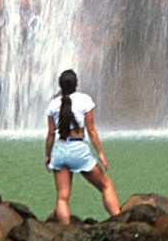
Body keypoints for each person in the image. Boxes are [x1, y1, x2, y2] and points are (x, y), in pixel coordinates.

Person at [44, 68, 120, 223]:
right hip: (79, 149)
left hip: (60, 149)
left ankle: (65, 231)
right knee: (106, 185)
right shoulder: (85, 100)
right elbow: (91, 130)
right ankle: (119, 221)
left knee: (62, 198)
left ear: (60, 85)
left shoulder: (53, 104)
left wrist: (47, 155)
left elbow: (51, 133)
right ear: (76, 84)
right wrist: (100, 153)